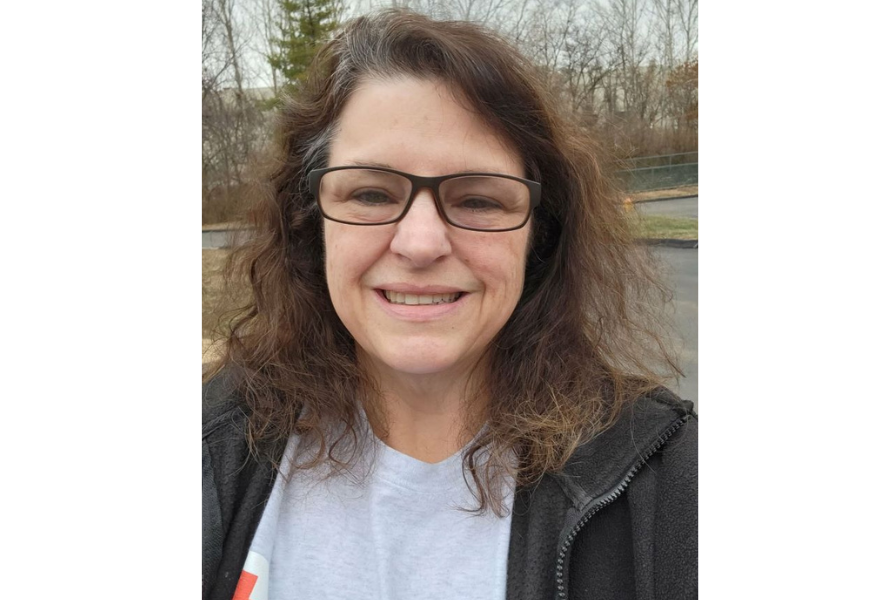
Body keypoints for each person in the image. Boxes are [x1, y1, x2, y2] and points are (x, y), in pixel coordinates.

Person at [203, 9, 697, 600]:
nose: (420, 244)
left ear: (540, 234)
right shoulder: (211, 447)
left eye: (479, 200)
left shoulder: (668, 488)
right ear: (310, 222)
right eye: (369, 192)